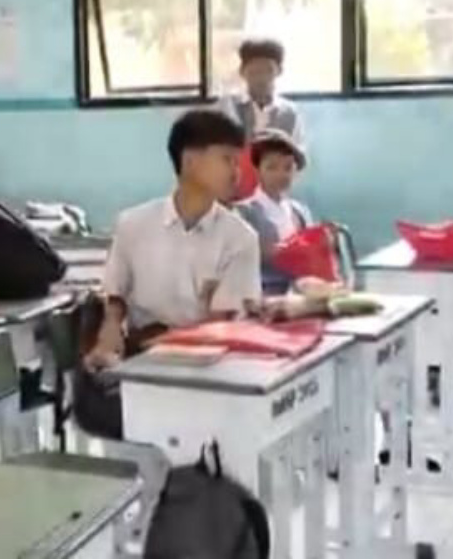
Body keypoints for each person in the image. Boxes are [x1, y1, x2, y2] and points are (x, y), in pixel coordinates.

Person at [86, 109, 261, 372]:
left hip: (209, 365)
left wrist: (164, 341)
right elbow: (115, 294)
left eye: (238, 163)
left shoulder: (240, 238)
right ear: (189, 161)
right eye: (227, 160)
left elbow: (223, 324)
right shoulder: (133, 224)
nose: (237, 173)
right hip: (140, 357)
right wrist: (109, 334)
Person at [236, 130, 314, 296]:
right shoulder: (243, 212)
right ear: (258, 170)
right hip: (261, 294)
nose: (281, 174)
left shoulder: (300, 211)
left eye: (288, 167)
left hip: (302, 293)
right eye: (272, 167)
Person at [217, 38, 304, 144]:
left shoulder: (290, 112)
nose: (261, 78)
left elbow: (297, 150)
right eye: (254, 71)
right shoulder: (227, 107)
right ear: (242, 72)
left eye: (268, 71)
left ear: (280, 71)